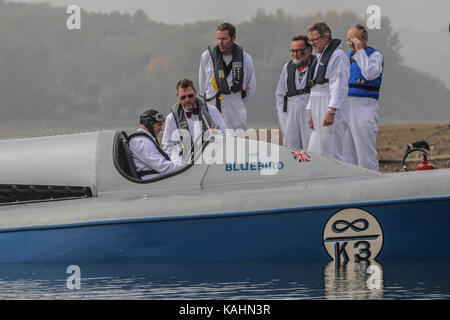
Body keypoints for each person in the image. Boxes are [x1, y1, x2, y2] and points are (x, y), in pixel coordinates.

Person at [199, 22, 256, 130]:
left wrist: (234, 101)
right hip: (212, 112)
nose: (220, 42)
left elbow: (250, 89)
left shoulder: (246, 59)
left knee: (236, 146)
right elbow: (202, 87)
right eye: (218, 39)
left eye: (224, 39)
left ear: (233, 38)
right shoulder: (207, 57)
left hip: (236, 115)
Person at [306, 22, 350, 161]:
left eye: (315, 40)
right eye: (310, 40)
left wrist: (331, 111)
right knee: (313, 150)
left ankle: (337, 182)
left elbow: (339, 85)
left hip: (330, 105)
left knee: (331, 151)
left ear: (327, 38)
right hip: (317, 105)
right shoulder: (319, 58)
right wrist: (311, 112)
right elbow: (314, 88)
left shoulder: (338, 56)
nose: (312, 43)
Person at [343, 24, 383, 171]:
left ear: (365, 39)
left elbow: (369, 73)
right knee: (346, 154)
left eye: (353, 40)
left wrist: (360, 52)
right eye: (348, 40)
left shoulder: (375, 55)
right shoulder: (346, 56)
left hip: (364, 106)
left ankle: (372, 185)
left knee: (365, 153)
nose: (351, 44)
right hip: (346, 106)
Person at [162, 79, 227, 160]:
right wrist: (179, 161)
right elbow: (167, 145)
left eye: (190, 96)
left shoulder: (211, 110)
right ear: (177, 96)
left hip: (212, 160)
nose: (187, 100)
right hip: (186, 163)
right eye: (183, 97)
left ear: (195, 93)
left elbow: (224, 133)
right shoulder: (171, 118)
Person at [275, 35, 315, 150]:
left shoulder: (317, 65)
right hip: (290, 114)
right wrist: (283, 119)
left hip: (309, 112)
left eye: (299, 51)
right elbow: (280, 95)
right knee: (291, 150)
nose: (295, 54)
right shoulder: (287, 67)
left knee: (311, 150)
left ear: (309, 49)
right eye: (292, 51)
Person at [129, 109, 186, 180]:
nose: (161, 129)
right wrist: (187, 167)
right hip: (154, 183)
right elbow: (162, 166)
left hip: (157, 181)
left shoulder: (145, 139)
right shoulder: (141, 141)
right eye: (159, 125)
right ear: (149, 124)